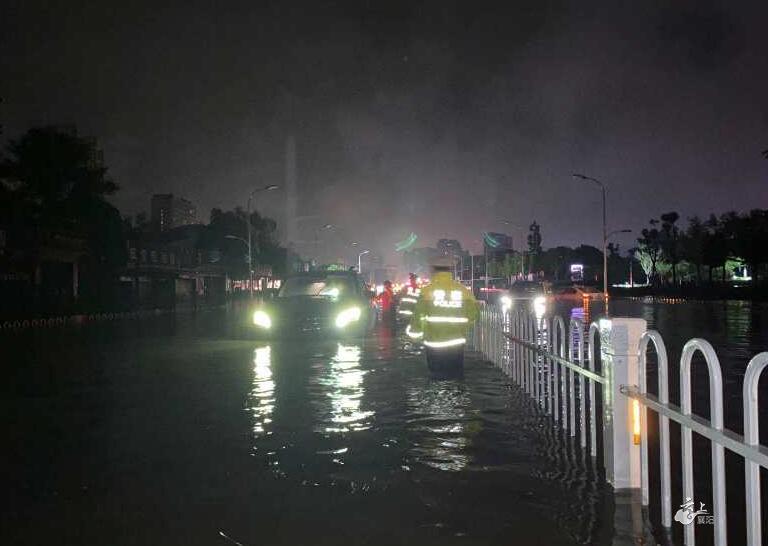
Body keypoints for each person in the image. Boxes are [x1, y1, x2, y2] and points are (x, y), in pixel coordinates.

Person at [408, 257, 478, 371]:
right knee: (455, 377)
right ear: (450, 271)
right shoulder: (464, 291)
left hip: (434, 344)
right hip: (456, 344)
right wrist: (461, 328)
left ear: (434, 271)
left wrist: (415, 334)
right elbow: (474, 315)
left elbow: (418, 315)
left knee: (436, 379)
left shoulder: (426, 291)